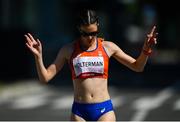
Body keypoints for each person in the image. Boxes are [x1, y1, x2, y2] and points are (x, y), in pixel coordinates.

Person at [25, 9, 157, 121]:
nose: (89, 38)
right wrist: (38, 57)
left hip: (104, 110)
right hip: (79, 112)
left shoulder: (108, 47)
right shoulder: (68, 50)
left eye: (93, 33)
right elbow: (45, 78)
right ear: (79, 30)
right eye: (85, 34)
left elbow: (137, 66)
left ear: (98, 27)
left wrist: (146, 49)